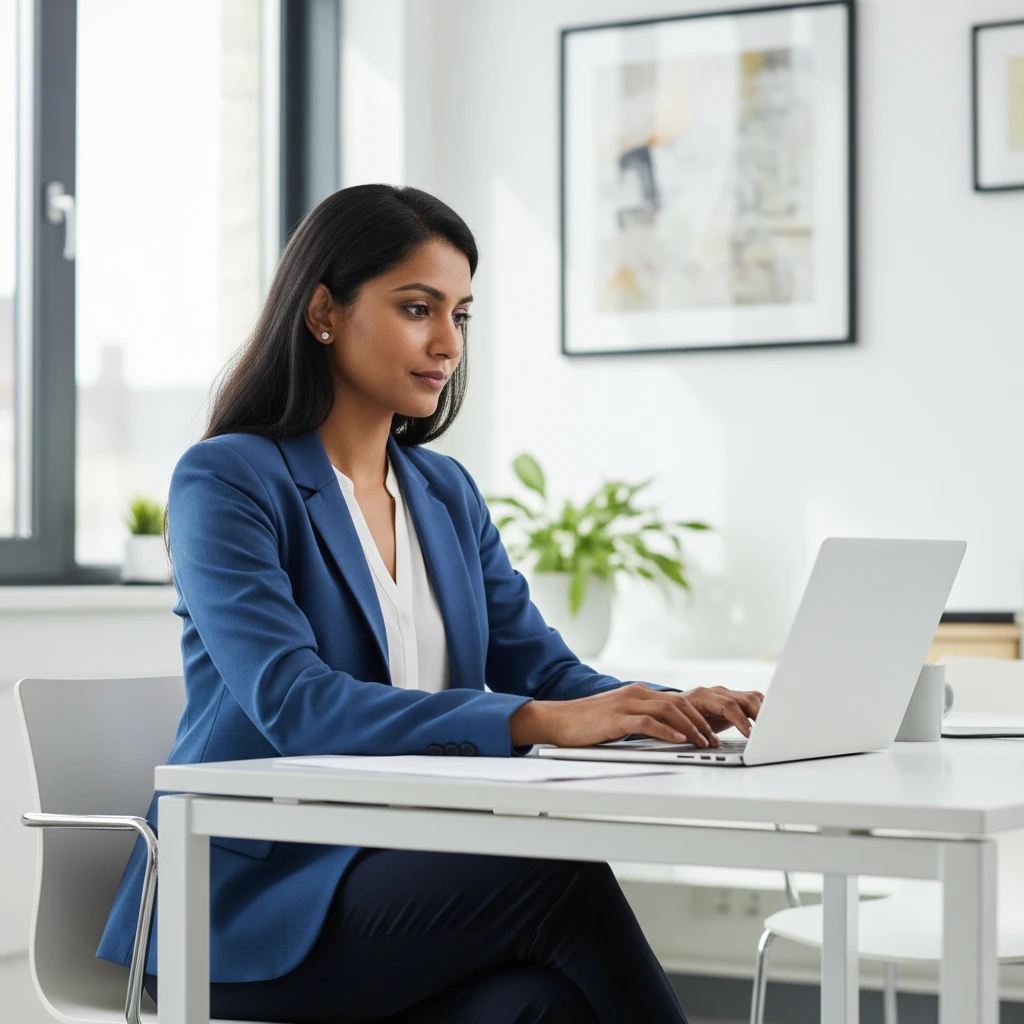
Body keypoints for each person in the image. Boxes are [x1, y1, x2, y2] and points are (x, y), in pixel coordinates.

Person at [97, 184, 764, 1024]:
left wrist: (665, 709)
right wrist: (536, 722)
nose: (447, 342)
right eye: (418, 309)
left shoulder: (444, 492)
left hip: (401, 874)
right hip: (245, 911)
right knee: (557, 878)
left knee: (542, 1003)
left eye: (461, 315)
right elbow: (297, 704)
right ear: (323, 313)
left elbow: (544, 669)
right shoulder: (228, 480)